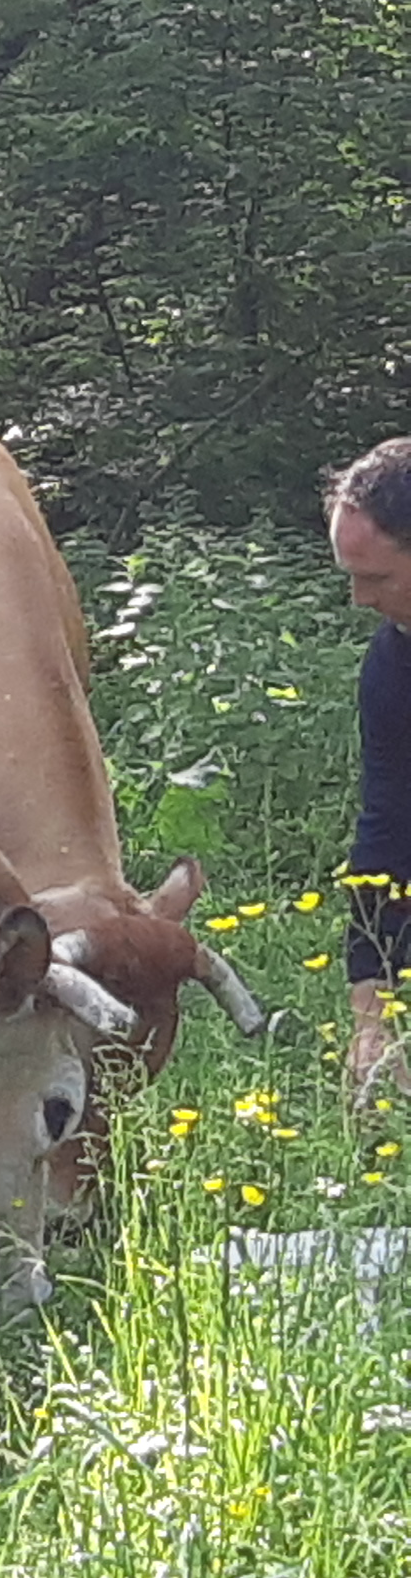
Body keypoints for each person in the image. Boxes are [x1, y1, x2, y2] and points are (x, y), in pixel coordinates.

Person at [331, 438, 411, 1098]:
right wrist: (371, 1020)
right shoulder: (391, 670)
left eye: (378, 578)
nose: (359, 599)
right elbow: (387, 831)